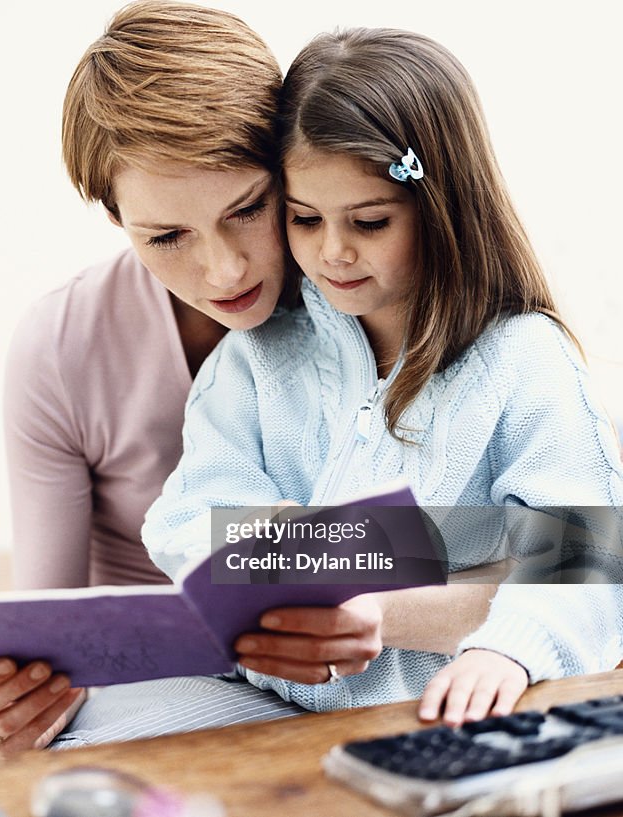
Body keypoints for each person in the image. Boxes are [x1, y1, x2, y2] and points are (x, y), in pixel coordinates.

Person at [0, 4, 499, 757]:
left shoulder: (376, 297)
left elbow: (555, 551)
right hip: (179, 700)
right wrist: (9, 698)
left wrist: (385, 599)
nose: (224, 269)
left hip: (379, 687)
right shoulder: (60, 346)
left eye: (249, 209)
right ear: (115, 217)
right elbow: (48, 627)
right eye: (166, 236)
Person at [141, 27, 623, 722]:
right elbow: (188, 517)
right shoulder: (259, 353)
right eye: (304, 220)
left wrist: (506, 648)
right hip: (261, 709)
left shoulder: (523, 359)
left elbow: (588, 559)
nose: (333, 252)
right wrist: (308, 544)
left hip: (434, 715)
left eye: (369, 222)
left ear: (438, 209)